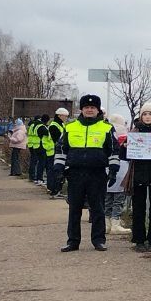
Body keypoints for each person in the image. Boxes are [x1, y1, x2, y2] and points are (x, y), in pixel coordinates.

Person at [54, 95, 119, 252]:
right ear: (81, 109)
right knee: (74, 208)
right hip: (75, 173)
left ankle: (98, 240)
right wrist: (58, 169)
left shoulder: (107, 128)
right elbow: (61, 149)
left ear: (98, 110)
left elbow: (114, 150)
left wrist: (113, 170)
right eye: (86, 107)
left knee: (98, 208)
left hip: (97, 173)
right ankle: (73, 241)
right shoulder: (69, 127)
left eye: (93, 108)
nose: (89, 110)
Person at [125, 102, 151, 251]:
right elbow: (124, 156)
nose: (148, 117)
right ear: (140, 116)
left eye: (150, 114)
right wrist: (125, 147)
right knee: (138, 209)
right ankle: (139, 239)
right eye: (145, 114)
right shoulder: (134, 132)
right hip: (138, 175)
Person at [45, 107, 70, 198]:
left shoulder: (61, 125)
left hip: (58, 151)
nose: (66, 118)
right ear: (59, 115)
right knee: (54, 171)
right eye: (65, 116)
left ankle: (57, 190)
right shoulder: (54, 125)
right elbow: (58, 139)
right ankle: (54, 190)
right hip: (54, 151)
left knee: (59, 172)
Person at [105, 150, 131, 236]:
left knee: (107, 201)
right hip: (120, 170)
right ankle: (115, 224)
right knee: (118, 202)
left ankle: (107, 224)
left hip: (108, 169)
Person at [28, 115, 47, 185]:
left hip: (32, 144)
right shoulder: (37, 125)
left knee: (34, 161)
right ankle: (35, 177)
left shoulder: (32, 125)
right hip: (37, 144)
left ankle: (32, 176)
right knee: (37, 162)